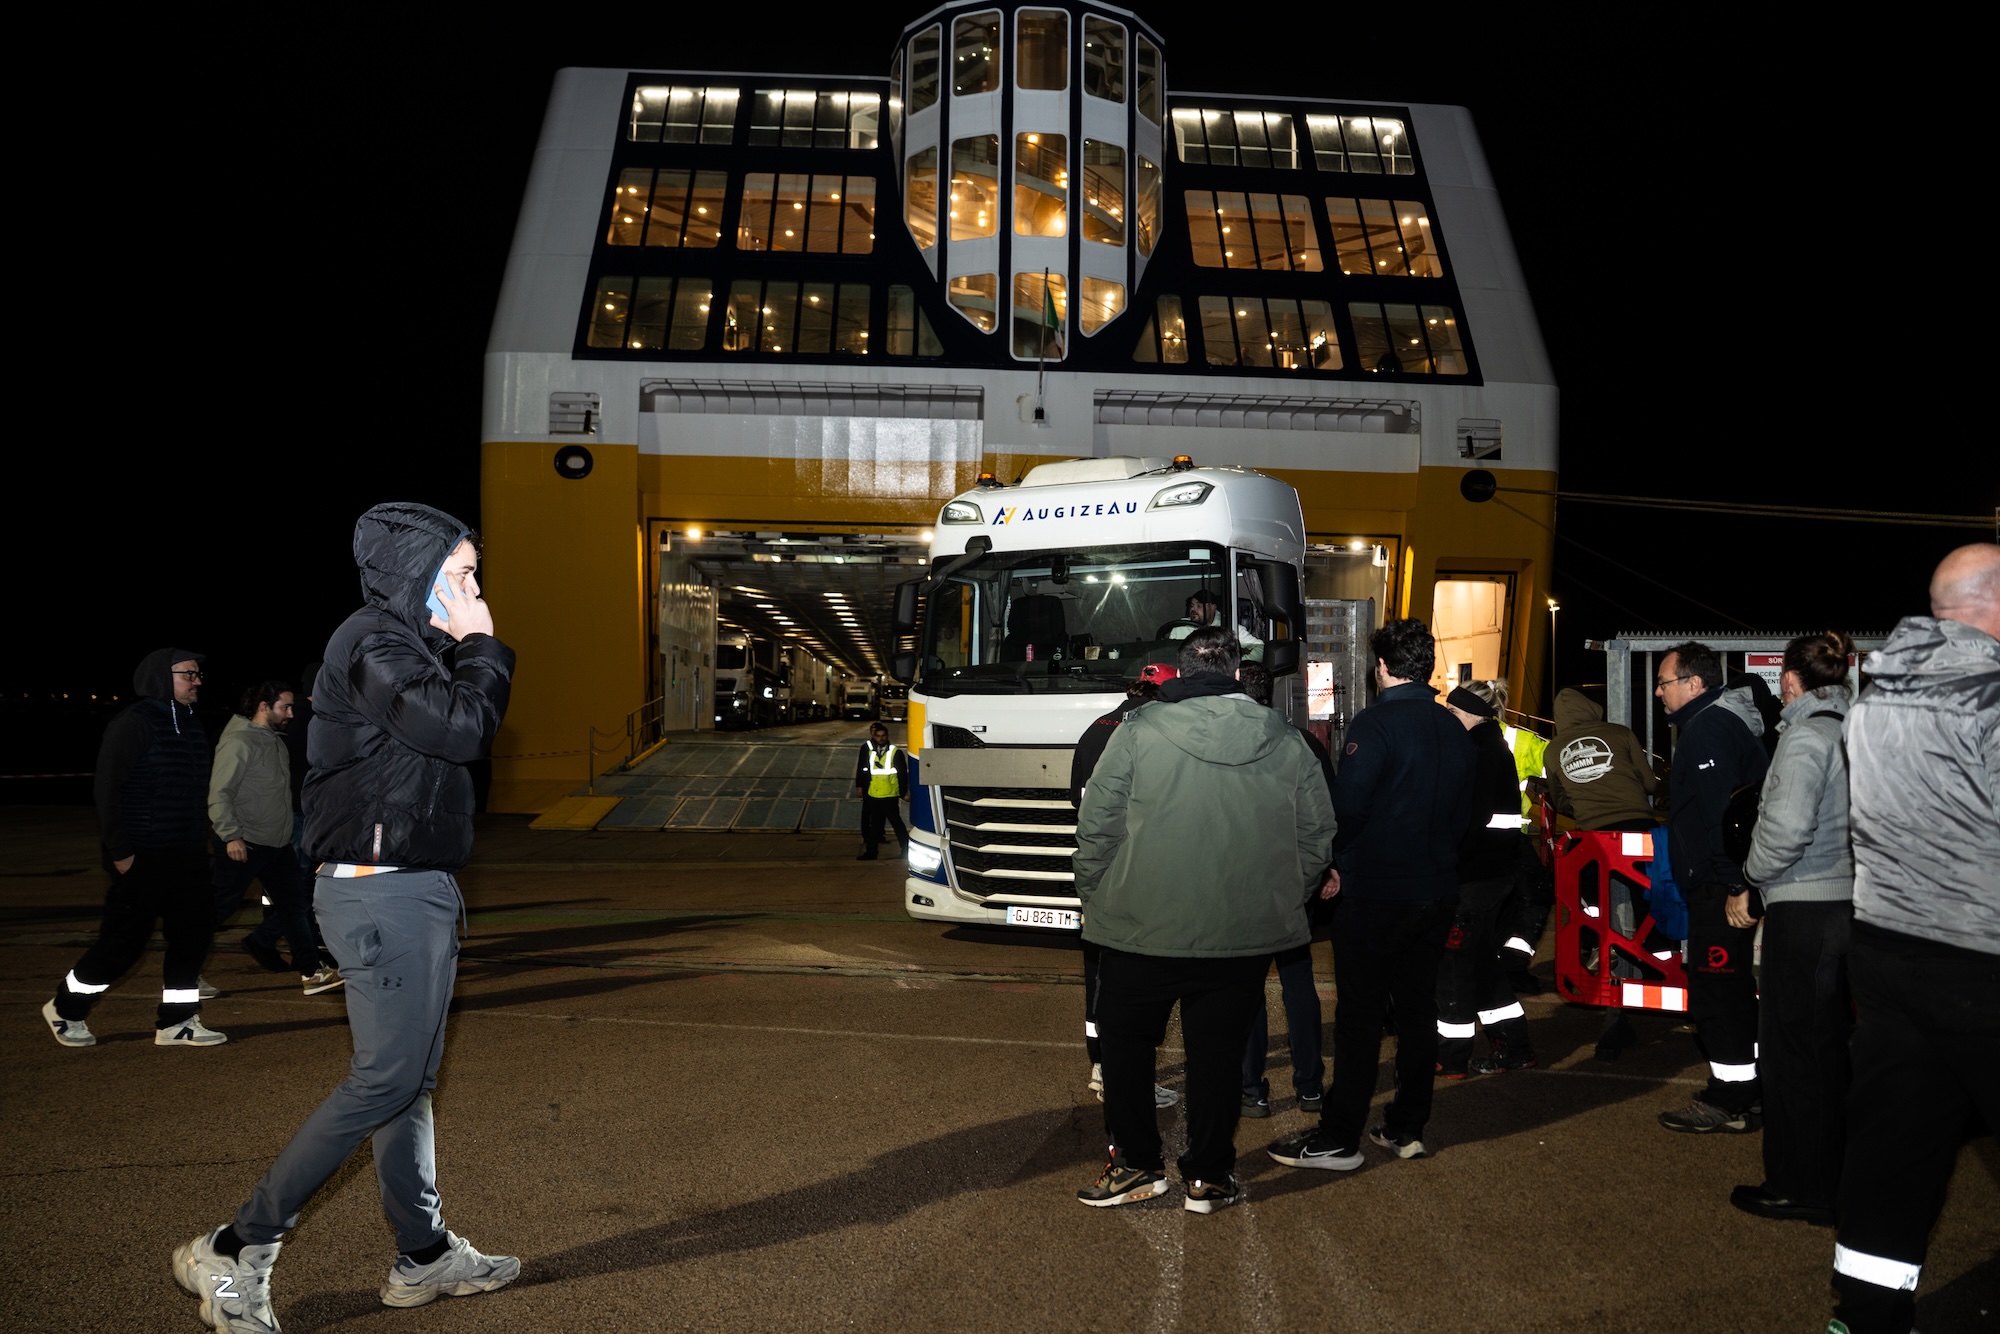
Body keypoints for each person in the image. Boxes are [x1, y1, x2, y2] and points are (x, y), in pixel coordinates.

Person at [174, 503, 518, 1331]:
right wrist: (481, 644)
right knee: (387, 1081)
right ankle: (237, 1245)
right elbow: (466, 728)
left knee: (407, 1085)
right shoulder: (373, 643)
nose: (476, 587)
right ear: (420, 574)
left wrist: (461, 647)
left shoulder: (405, 650)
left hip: (411, 885)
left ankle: (425, 1256)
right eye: (464, 572)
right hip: (381, 891)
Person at [1072, 627, 1335, 1213]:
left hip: (1139, 928)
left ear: (1182, 673)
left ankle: (1138, 1164)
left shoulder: (1136, 734)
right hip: (1239, 937)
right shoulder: (1289, 741)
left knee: (1126, 1050)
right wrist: (1280, 899)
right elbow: (1316, 837)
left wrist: (1099, 895)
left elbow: (1098, 828)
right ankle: (1209, 1175)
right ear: (1239, 674)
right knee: (1217, 1057)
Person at [1828, 543, 1999, 1334]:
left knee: (1895, 1147)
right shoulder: (1991, 696)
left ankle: (1863, 1316)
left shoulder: (1874, 694)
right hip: (1981, 956)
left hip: (1888, 949)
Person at [1269, 617, 1473, 1171]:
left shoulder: (1376, 725)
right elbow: (1466, 814)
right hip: (1436, 888)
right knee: (1415, 1011)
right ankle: (1407, 1126)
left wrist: (1335, 861)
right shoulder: (1454, 728)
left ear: (1381, 667)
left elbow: (1349, 810)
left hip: (1380, 893)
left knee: (1359, 1020)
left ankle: (1339, 1139)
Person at [1728, 631, 1855, 1228]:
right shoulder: (1855, 730)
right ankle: (1830, 1178)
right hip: (1847, 904)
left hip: (1804, 911)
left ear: (1790, 680)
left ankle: (1798, 1185)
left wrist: (1752, 877)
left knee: (1791, 1053)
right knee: (1827, 1052)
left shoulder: (1806, 736)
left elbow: (1784, 829)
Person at [43, 648, 225, 1048]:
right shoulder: (134, 724)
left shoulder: (193, 725)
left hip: (187, 853)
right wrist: (120, 851)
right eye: (188, 674)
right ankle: (66, 1008)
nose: (197, 681)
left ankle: (176, 1022)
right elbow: (107, 790)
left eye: (198, 675)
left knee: (193, 936)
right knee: (124, 944)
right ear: (162, 676)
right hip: (141, 854)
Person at [1652, 640, 1768, 1133]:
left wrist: (1735, 884)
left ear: (1694, 684)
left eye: (1664, 682)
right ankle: (1752, 1091)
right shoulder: (1716, 725)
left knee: (1716, 994)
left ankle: (1730, 1099)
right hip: (1725, 884)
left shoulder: (1707, 732)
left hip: (1721, 891)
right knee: (1731, 989)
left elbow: (1728, 817)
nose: (1658, 692)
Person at [1069, 664, 1179, 1111]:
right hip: (1136, 873)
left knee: (1099, 976)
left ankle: (1101, 1067)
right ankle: (1125, 1079)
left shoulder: (1095, 729)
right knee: (1138, 987)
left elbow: (1079, 806)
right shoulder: (1149, 735)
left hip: (1098, 873)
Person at [1235, 660, 1330, 1117]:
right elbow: (1325, 819)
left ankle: (1251, 1088)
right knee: (1298, 986)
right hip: (1292, 887)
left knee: (1248, 991)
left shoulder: (1228, 747)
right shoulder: (1302, 742)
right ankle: (1310, 1086)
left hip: (1248, 887)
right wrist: (1317, 876)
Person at [210, 681, 341, 996]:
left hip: (276, 845)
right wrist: (231, 836)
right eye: (286, 707)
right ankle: (183, 965)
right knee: (216, 910)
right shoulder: (239, 742)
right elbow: (219, 793)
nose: (292, 714)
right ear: (264, 707)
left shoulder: (275, 741)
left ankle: (311, 972)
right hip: (245, 843)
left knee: (293, 906)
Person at [1436, 679, 1537, 1077]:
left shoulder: (1477, 750)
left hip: (1473, 877)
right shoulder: (1493, 746)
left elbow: (1467, 819)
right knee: (1481, 964)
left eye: (1454, 713)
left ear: (1473, 715)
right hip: (1494, 874)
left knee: (1454, 969)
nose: (1449, 719)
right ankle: (1514, 1047)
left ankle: (1452, 1057)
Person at [1545, 687, 1660, 832]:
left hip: (1592, 831)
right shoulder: (1621, 732)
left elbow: (1560, 802)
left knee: (1571, 852)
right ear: (1589, 707)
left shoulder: (1552, 750)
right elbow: (1650, 784)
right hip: (1640, 824)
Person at [852, 721, 908, 860]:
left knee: (896, 824)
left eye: (883, 736)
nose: (881, 738)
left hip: (890, 794)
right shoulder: (869, 752)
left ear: (887, 736)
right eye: (878, 736)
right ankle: (871, 852)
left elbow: (902, 774)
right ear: (874, 736)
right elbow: (863, 769)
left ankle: (906, 849)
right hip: (874, 794)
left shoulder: (895, 752)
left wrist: (903, 792)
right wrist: (860, 786)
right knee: (875, 826)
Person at [1155, 588, 1220, 640]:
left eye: (1199, 606)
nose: (1192, 609)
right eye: (1191, 606)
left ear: (1212, 608)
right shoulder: (1181, 627)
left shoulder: (1225, 625)